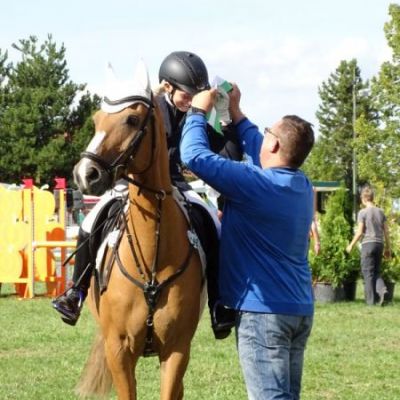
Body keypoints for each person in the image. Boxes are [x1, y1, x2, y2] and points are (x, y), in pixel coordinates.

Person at [53, 51, 241, 339]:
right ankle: (76, 291)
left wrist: (226, 120)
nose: (192, 100)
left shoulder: (199, 115)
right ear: (167, 87)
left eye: (196, 94)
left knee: (212, 224)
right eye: (186, 94)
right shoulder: (152, 109)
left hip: (176, 185)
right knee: (90, 221)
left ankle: (218, 302)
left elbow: (229, 155)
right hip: (130, 182)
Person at [180, 84, 315, 400]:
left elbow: (194, 156)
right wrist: (236, 113)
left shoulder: (255, 185)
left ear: (275, 143)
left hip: (263, 313)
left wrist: (197, 112)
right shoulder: (302, 185)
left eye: (268, 132)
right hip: (298, 309)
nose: (262, 136)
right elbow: (260, 148)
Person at [346, 186, 391, 305]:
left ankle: (370, 302)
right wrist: (388, 248)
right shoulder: (380, 212)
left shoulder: (363, 212)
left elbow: (360, 232)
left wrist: (351, 245)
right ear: (372, 198)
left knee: (367, 272)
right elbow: (386, 231)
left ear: (364, 199)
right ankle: (382, 290)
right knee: (376, 271)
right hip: (379, 244)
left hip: (368, 244)